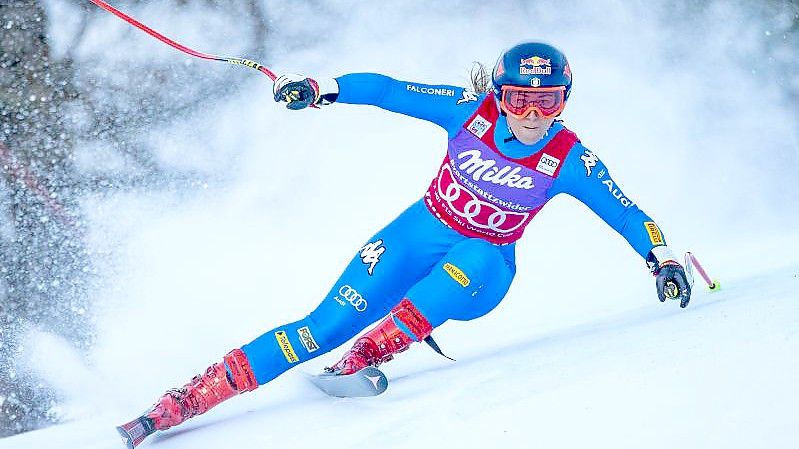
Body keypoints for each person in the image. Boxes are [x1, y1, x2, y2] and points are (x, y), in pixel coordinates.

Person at [136, 42, 691, 433]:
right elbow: (388, 90)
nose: (530, 115)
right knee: (318, 328)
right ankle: (182, 403)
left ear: (564, 102)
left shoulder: (569, 158)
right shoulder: (464, 111)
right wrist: (320, 88)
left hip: (483, 271)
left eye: (547, 102)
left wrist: (660, 260)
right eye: (518, 98)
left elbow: (626, 212)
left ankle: (367, 356)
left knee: (473, 254)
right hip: (415, 236)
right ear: (498, 94)